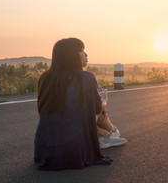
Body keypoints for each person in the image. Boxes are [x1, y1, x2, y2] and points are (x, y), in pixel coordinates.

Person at [34, 38, 113, 170]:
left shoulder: (45, 78)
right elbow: (97, 109)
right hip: (73, 150)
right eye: (81, 51)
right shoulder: (87, 78)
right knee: (100, 109)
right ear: (71, 55)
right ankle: (110, 133)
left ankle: (107, 134)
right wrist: (104, 101)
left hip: (44, 151)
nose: (86, 55)